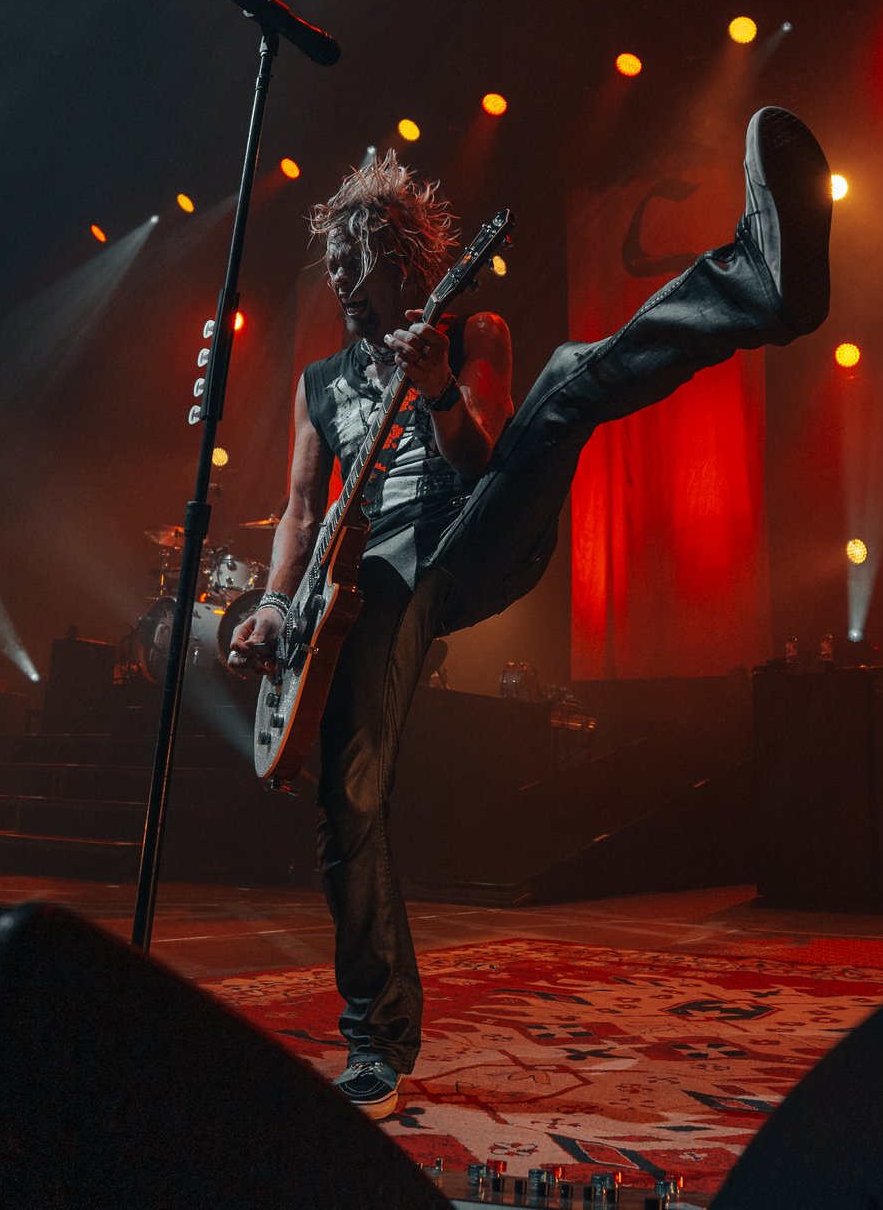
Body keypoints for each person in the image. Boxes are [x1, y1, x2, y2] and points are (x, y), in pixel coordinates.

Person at [228, 107, 831, 1118]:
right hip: (370, 582)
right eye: (333, 260)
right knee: (349, 797)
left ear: (408, 263)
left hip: (478, 534)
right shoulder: (320, 382)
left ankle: (758, 284)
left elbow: (480, 457)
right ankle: (376, 1039)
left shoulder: (472, 333)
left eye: (359, 257)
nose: (340, 277)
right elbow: (298, 507)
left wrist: (438, 399)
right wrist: (274, 604)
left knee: (562, 382)